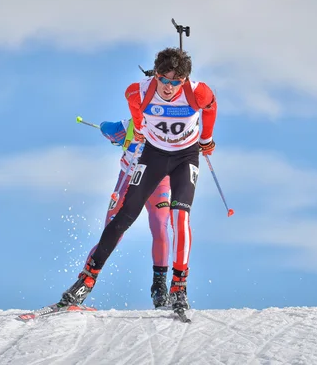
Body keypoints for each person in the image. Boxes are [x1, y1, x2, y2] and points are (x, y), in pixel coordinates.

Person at [59, 47, 217, 310]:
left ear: (185, 80)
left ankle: (178, 286)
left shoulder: (197, 92)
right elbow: (133, 108)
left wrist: (206, 139)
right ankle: (86, 280)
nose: (168, 87)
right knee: (124, 215)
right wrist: (140, 128)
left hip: (184, 157)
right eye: (163, 80)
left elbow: (211, 106)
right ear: (155, 75)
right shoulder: (138, 91)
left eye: (175, 82)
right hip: (154, 156)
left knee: (179, 217)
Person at [87, 118, 172, 308]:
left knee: (159, 227)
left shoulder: (174, 124)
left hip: (159, 183)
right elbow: (107, 128)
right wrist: (114, 134)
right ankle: (83, 284)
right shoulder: (133, 122)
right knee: (111, 233)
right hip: (129, 179)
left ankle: (160, 289)